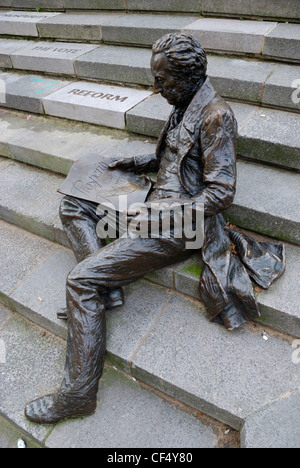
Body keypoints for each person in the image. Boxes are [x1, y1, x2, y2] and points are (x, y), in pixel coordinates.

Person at [25, 33, 285, 424]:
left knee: (80, 280)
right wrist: (136, 162)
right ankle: (109, 287)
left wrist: (160, 217)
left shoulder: (217, 115)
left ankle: (78, 393)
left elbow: (221, 192)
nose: (156, 88)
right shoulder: (184, 101)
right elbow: (175, 154)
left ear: (188, 76)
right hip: (154, 198)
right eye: (157, 79)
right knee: (73, 202)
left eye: (163, 81)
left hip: (179, 225)